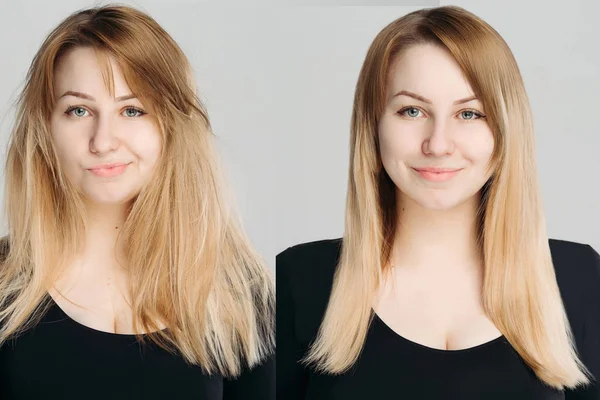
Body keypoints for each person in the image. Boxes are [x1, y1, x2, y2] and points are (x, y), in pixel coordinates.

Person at [276, 5, 599, 399]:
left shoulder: (581, 279)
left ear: (506, 130)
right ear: (373, 126)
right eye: (412, 111)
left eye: (469, 113)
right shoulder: (295, 280)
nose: (439, 144)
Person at [0, 5, 274, 399]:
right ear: (45, 128)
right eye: (78, 110)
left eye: (132, 110)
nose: (104, 140)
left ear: (171, 126)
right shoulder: (5, 285)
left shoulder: (238, 295)